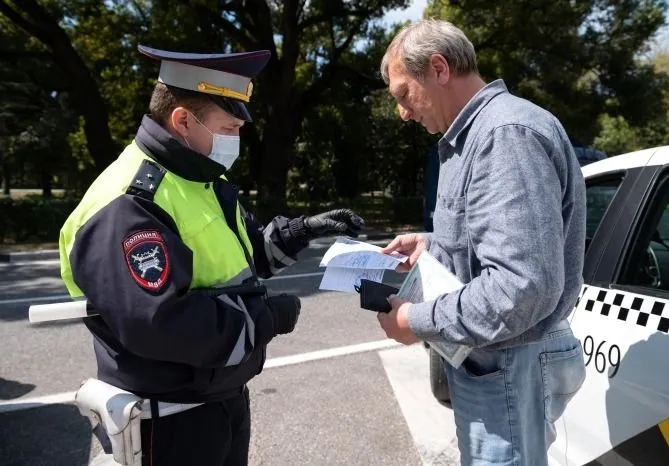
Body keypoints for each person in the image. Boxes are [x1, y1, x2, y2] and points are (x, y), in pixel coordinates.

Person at [58, 45, 364, 466]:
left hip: (219, 400)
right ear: (182, 120)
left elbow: (245, 255)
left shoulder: (199, 179)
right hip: (169, 422)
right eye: (229, 127)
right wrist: (264, 320)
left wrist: (302, 231)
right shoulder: (130, 203)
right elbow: (160, 323)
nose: (235, 140)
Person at [375, 19, 587, 465]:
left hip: (511, 362)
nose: (403, 112)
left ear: (438, 69)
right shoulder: (473, 135)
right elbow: (494, 241)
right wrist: (432, 244)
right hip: (501, 360)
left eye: (402, 94)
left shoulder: (503, 135)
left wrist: (416, 319)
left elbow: (520, 287)